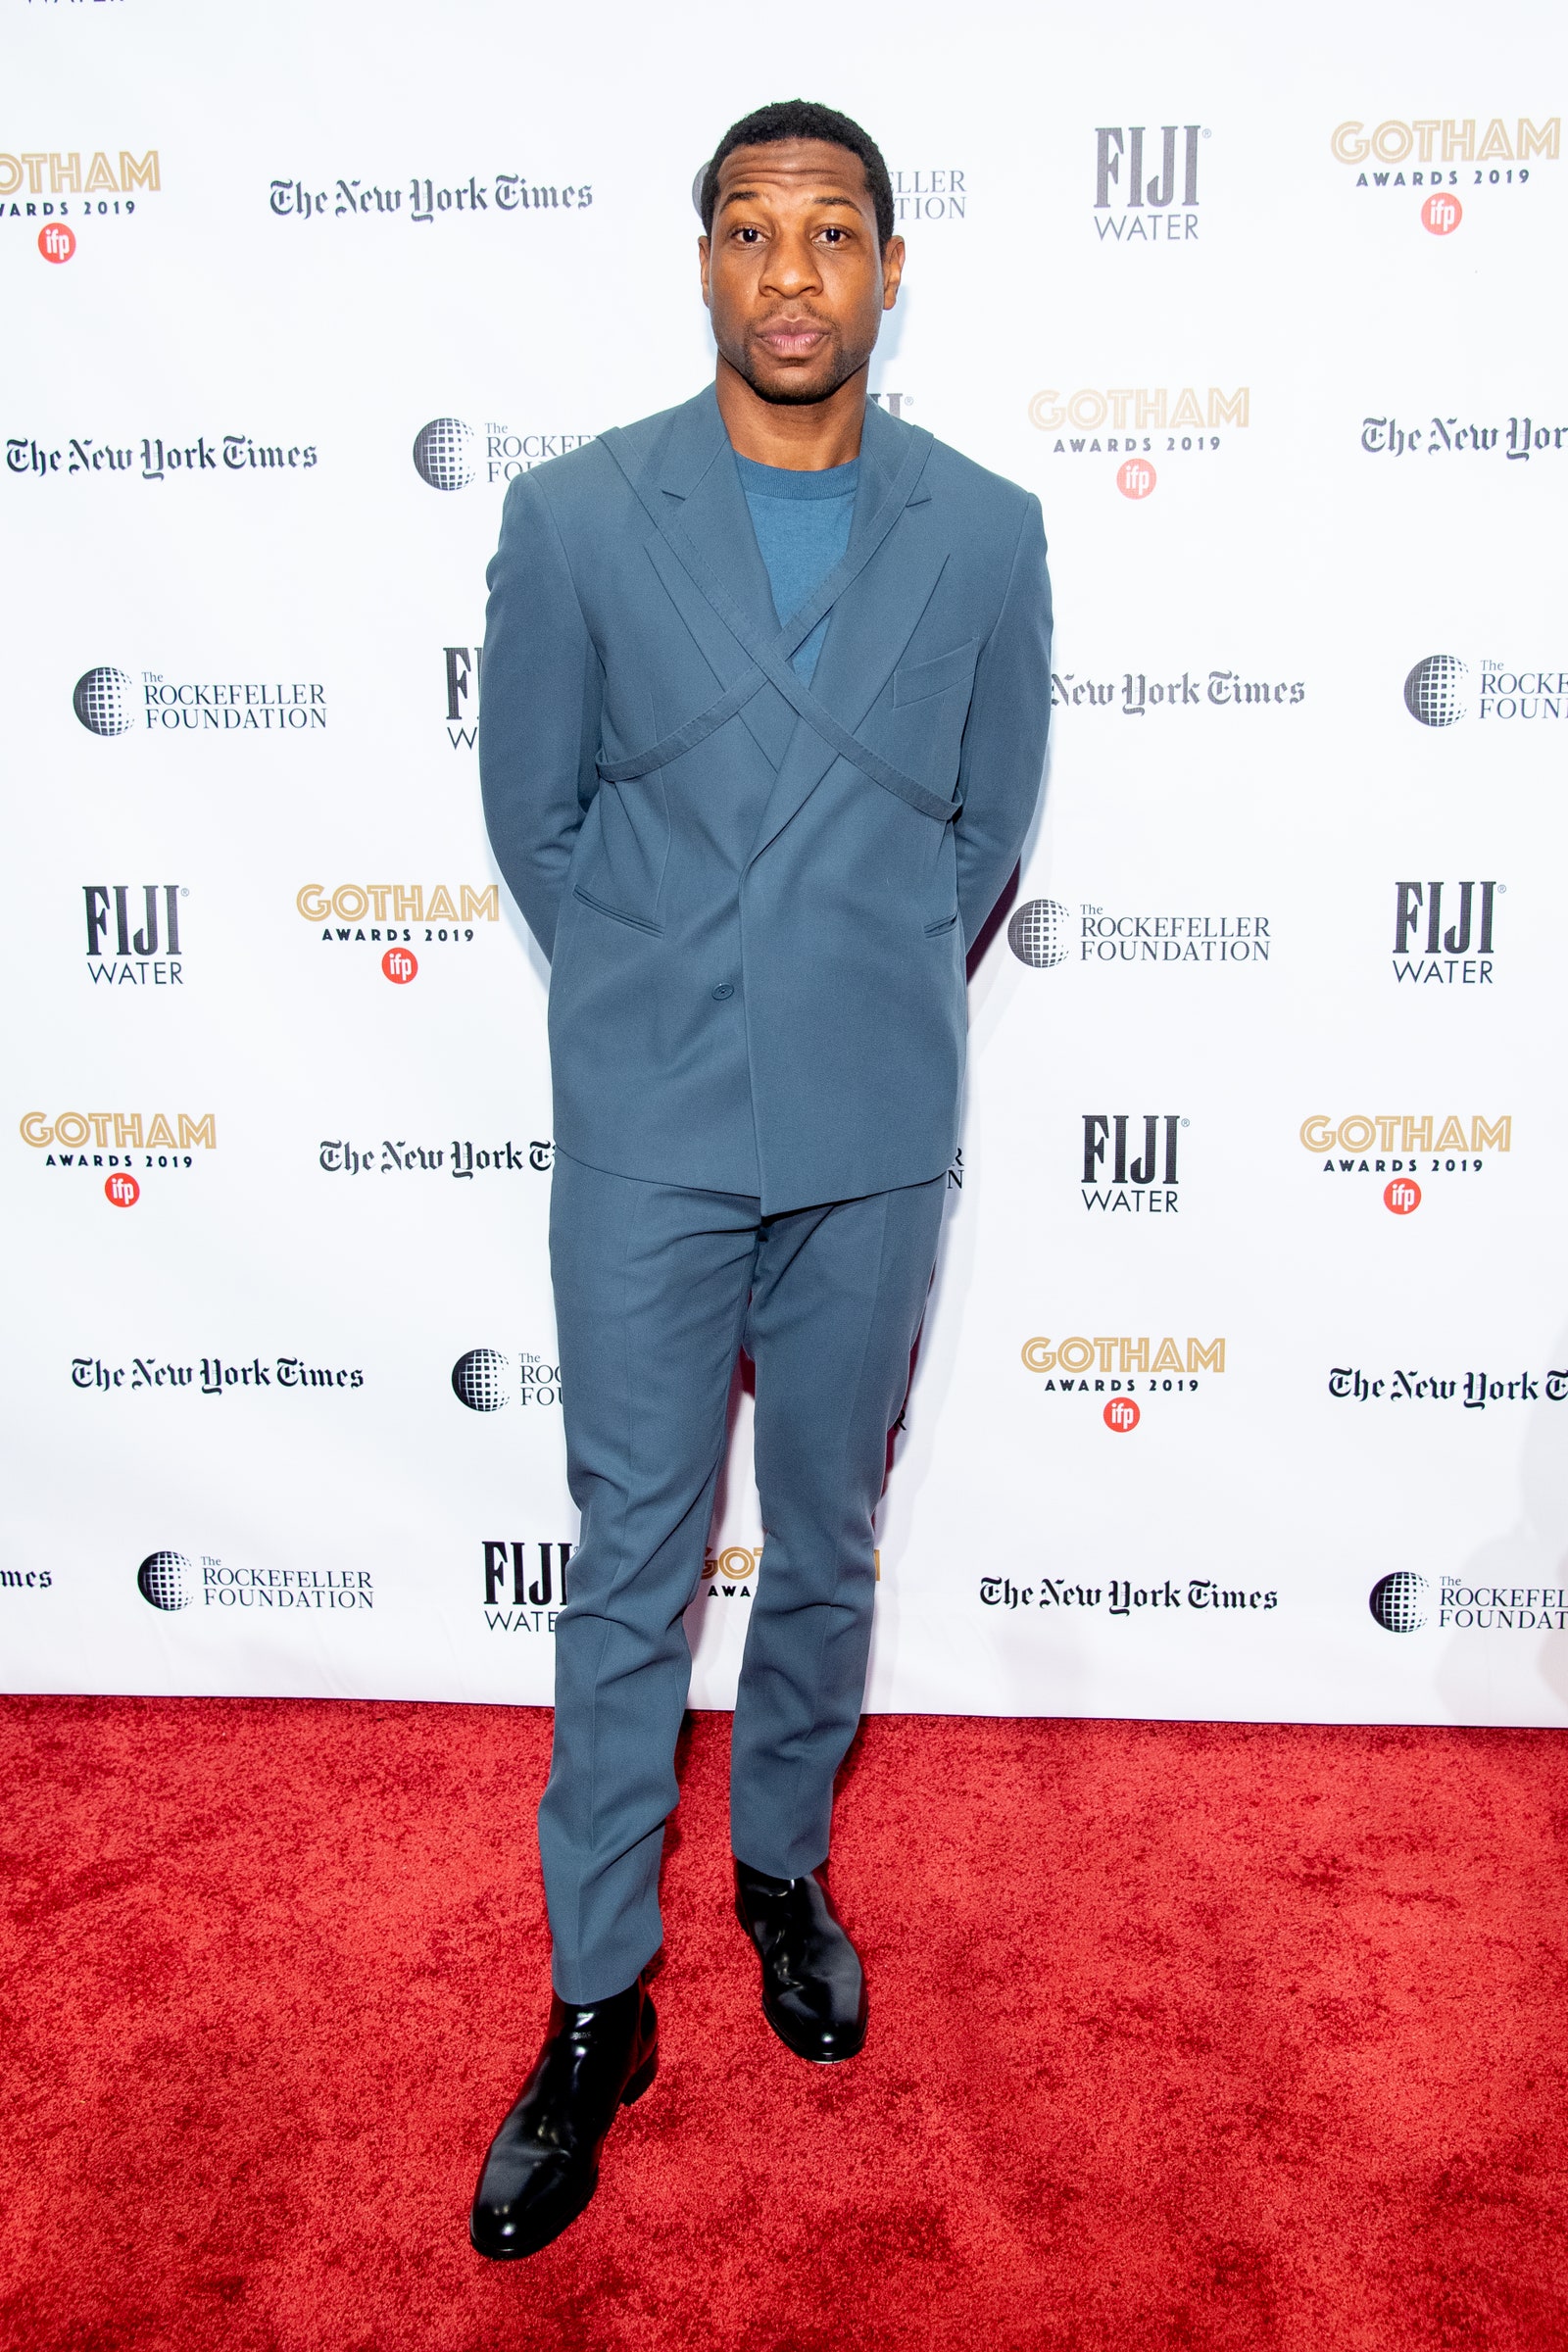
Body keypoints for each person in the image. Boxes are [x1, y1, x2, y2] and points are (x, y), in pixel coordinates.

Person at [471, 97, 1052, 2259]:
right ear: (702, 263)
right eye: (749, 229)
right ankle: (593, 1998)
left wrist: (854, 973)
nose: (789, 270)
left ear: (890, 270)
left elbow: (985, 833)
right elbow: (536, 817)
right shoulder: (575, 519)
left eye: (831, 233)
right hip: (644, 1126)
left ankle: (781, 1863)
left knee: (822, 1535)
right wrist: (664, 981)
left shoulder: (984, 532)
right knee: (632, 1556)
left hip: (870, 1129)